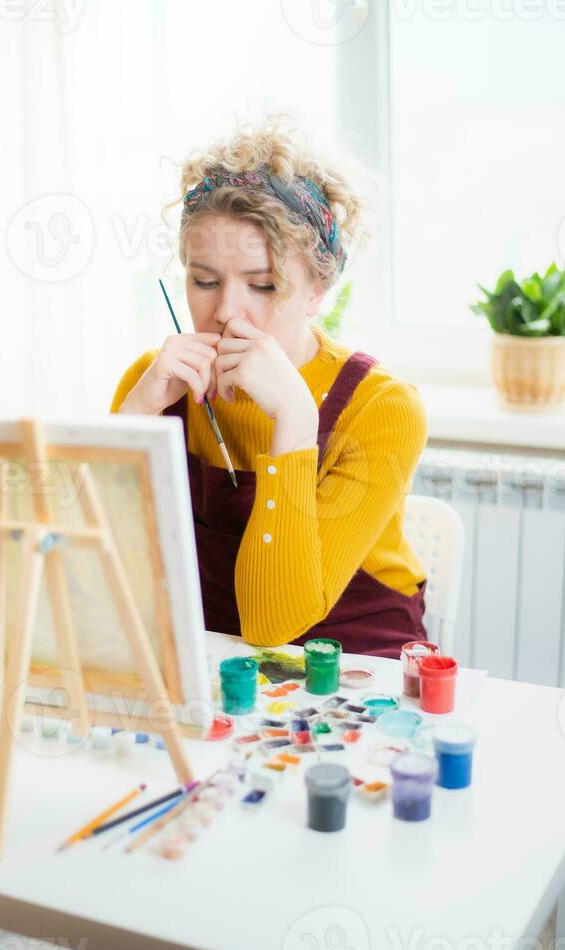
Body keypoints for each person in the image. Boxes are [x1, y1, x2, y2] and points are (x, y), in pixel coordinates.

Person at [111, 117, 428, 658]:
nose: (226, 312)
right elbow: (99, 583)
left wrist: (295, 424)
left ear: (319, 290)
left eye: (264, 285)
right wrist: (131, 424)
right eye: (203, 281)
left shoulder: (383, 407)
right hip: (216, 666)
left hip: (356, 671)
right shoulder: (158, 384)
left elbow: (270, 623)